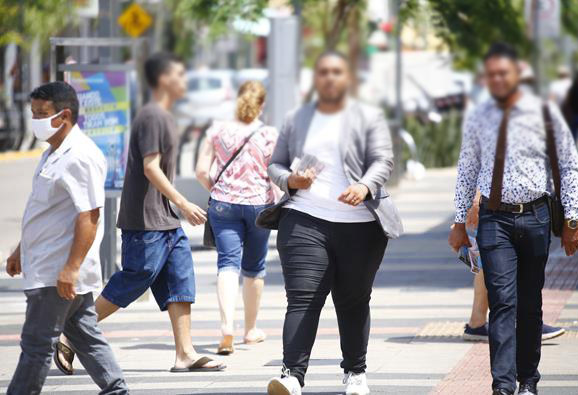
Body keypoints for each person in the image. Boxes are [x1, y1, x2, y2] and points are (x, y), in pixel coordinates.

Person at [54, 52, 225, 374]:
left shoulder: (165, 116)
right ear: (164, 79)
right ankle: (71, 332)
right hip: (145, 219)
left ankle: (185, 354)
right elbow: (150, 167)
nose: (185, 80)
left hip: (164, 220)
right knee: (136, 277)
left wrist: (175, 209)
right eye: (180, 74)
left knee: (180, 281)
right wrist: (184, 203)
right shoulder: (152, 116)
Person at [260, 50, 404, 395]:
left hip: (361, 227)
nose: (329, 78)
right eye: (323, 72)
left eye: (336, 72)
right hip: (305, 220)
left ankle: (355, 372)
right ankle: (291, 375)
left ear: (348, 78)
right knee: (302, 298)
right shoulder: (298, 118)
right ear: (315, 78)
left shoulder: (368, 117)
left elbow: (384, 159)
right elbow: (275, 165)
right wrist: (290, 180)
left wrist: (364, 185)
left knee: (353, 299)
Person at [448, 43, 578, 395]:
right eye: (490, 74)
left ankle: (528, 381)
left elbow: (569, 166)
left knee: (530, 304)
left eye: (502, 73)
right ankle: (503, 386)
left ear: (517, 73)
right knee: (503, 301)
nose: (496, 79)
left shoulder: (545, 113)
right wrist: (459, 221)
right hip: (495, 220)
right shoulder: (479, 117)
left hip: (537, 217)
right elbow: (467, 169)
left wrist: (571, 219)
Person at [5, 81, 128, 394]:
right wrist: (21, 249)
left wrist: (71, 267)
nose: (35, 120)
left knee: (36, 345)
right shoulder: (54, 152)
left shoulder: (80, 156)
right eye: (33, 112)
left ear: (65, 115)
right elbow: (46, 210)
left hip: (57, 270)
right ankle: (117, 390)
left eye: (42, 113)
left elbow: (89, 215)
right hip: (50, 264)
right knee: (85, 334)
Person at [195, 80, 279, 355]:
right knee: (254, 267)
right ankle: (250, 330)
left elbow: (200, 171)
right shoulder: (269, 134)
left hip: (223, 205)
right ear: (262, 104)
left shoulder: (217, 130)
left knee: (227, 264)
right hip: (258, 205)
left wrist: (218, 191)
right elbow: (277, 173)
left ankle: (226, 326)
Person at [462, 192, 565, 342]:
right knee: (499, 261)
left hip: (492, 200)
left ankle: (477, 322)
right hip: (494, 203)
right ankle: (523, 323)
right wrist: (475, 200)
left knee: (488, 261)